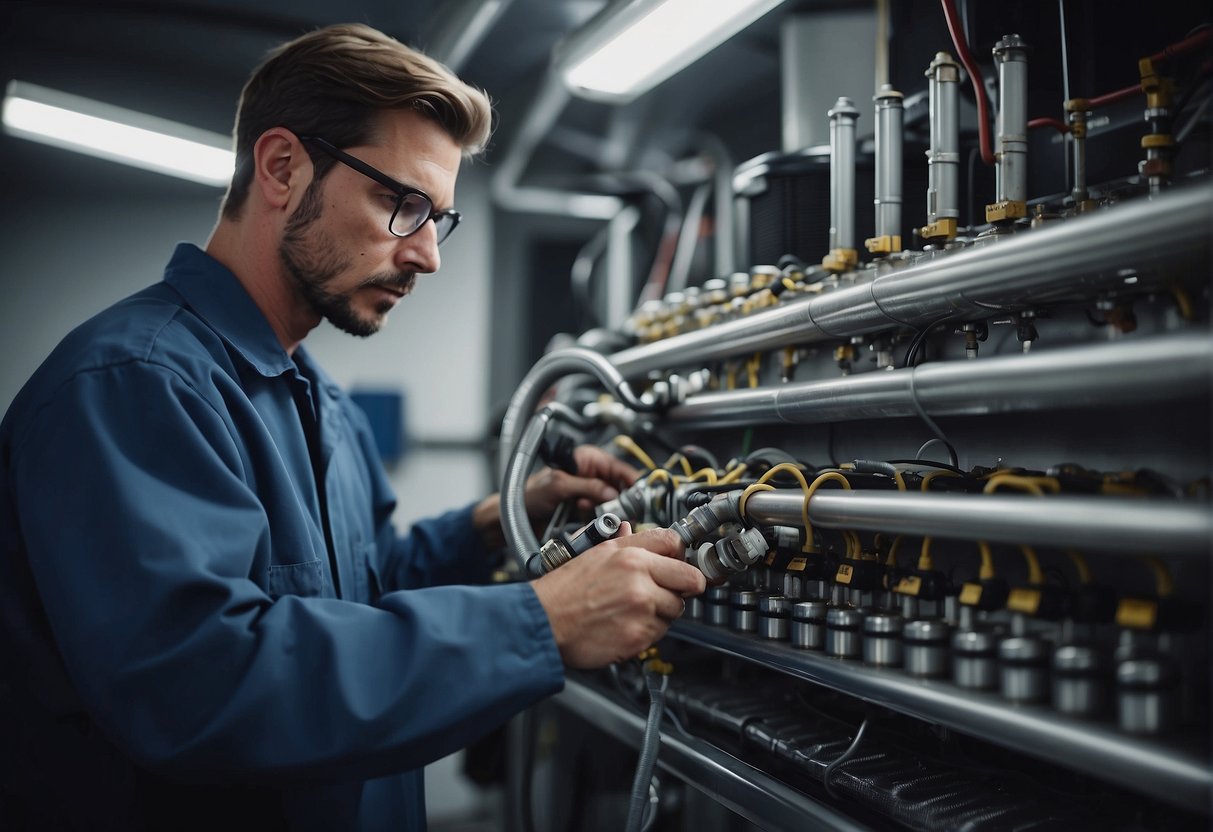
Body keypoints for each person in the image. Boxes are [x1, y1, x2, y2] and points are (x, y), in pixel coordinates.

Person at [0, 22, 706, 832]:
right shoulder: (134, 386)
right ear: (281, 167)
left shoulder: (318, 398)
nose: (427, 256)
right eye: (401, 204)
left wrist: (487, 528)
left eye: (437, 218)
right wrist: (541, 621)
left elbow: (356, 593)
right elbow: (201, 684)